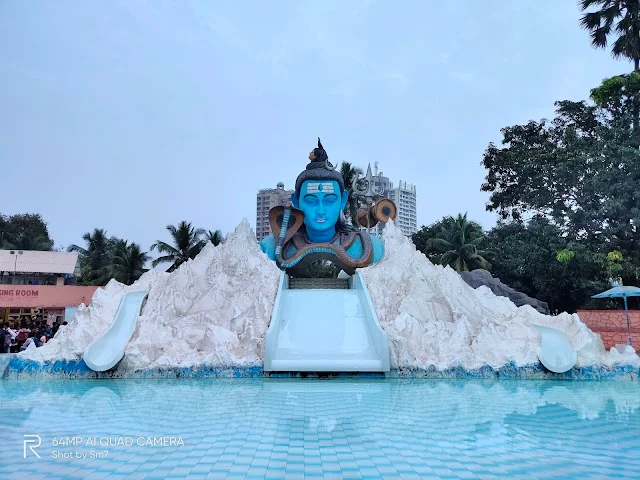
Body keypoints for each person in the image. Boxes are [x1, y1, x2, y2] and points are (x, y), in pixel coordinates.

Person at [260, 138, 384, 275]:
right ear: (296, 201)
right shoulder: (270, 248)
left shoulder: (370, 246)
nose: (320, 210)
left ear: (342, 200)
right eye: (311, 201)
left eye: (330, 201)